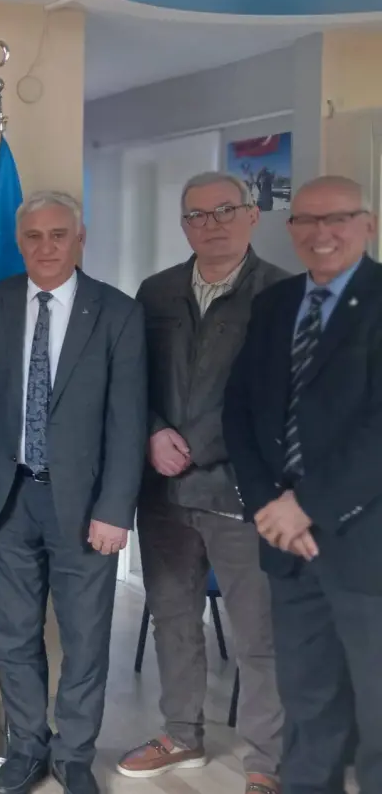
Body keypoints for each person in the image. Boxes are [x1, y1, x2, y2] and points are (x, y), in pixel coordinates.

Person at [119, 172, 287, 792]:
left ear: (252, 215)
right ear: (183, 225)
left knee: (258, 633)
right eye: (197, 215)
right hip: (163, 491)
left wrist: (200, 446)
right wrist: (152, 433)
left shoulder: (283, 294)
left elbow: (283, 397)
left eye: (224, 210)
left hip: (242, 494)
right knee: (172, 617)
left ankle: (268, 760)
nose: (211, 224)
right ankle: (181, 734)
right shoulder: (156, 292)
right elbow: (130, 379)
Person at [0, 190, 146, 794]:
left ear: (80, 239)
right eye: (33, 236)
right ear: (18, 243)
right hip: (9, 499)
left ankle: (74, 755)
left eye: (58, 235)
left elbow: (128, 420)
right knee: (13, 635)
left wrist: (115, 510)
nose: (45, 247)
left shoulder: (117, 312)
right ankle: (26, 747)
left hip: (85, 507)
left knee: (85, 638)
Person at [224, 175, 382, 794]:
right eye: (308, 220)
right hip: (287, 546)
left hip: (364, 544)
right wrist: (268, 505)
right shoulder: (276, 304)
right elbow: (240, 409)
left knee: (378, 709)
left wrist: (307, 505)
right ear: (290, 230)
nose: (322, 233)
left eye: (338, 218)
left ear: (368, 224)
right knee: (307, 701)